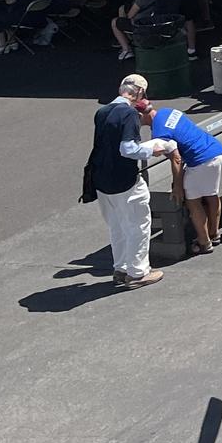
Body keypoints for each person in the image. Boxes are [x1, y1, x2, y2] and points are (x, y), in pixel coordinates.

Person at [84, 73, 175, 288]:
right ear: (140, 93)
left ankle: (121, 267)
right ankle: (137, 272)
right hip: (124, 179)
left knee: (117, 225)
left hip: (101, 179)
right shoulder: (129, 115)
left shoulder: (102, 112)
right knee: (138, 224)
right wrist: (152, 149)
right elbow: (128, 149)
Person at [138, 99, 222, 254]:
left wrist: (178, 187)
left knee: (193, 202)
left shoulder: (160, 134)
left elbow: (177, 159)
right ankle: (214, 233)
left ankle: (204, 242)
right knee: (212, 195)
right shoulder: (167, 111)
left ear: (140, 115)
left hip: (201, 161)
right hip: (218, 151)